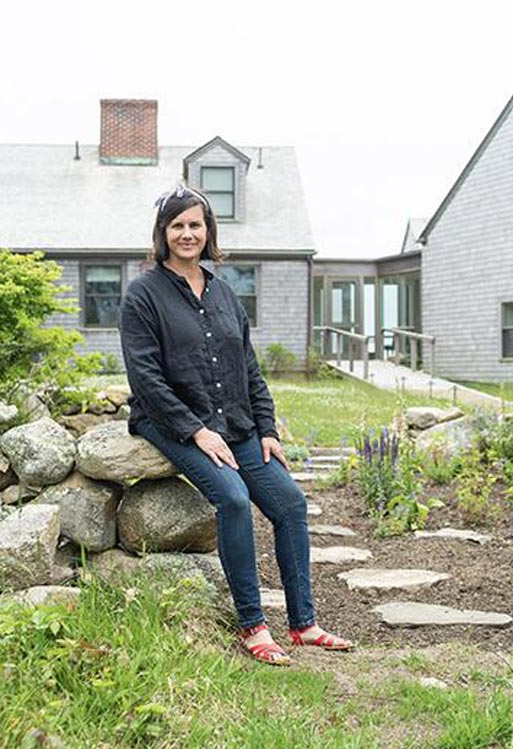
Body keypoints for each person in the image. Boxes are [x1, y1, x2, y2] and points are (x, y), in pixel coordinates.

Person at [118, 185, 354, 665]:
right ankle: (253, 625)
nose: (187, 234)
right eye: (177, 225)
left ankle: (303, 624)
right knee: (232, 497)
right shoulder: (142, 295)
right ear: (163, 234)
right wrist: (197, 432)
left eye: (195, 225)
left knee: (289, 502)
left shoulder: (224, 293)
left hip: (236, 425)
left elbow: (248, 369)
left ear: (209, 232)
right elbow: (145, 378)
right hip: (172, 423)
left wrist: (267, 428)